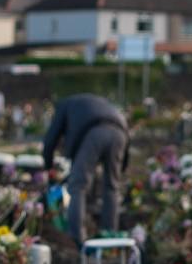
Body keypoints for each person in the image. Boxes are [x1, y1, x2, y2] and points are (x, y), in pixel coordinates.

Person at [42, 93, 129, 244]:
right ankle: (110, 236)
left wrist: (48, 169)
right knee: (111, 187)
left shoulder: (64, 105)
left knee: (77, 186)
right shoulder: (96, 103)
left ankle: (76, 238)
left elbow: (50, 141)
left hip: (95, 133)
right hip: (121, 134)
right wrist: (122, 168)